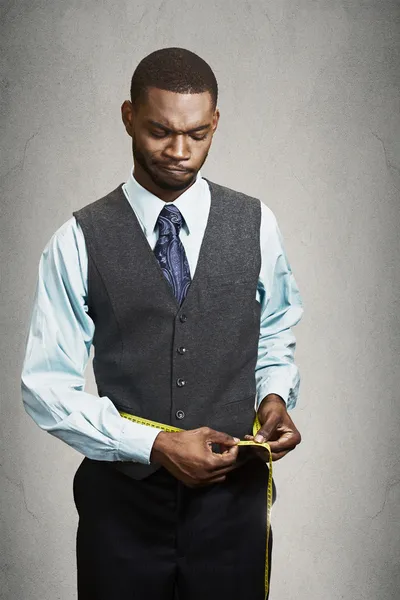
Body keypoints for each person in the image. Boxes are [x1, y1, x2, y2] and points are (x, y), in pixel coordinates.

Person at [21, 47, 304, 600]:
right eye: (159, 132)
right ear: (128, 117)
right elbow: (44, 386)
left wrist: (274, 394)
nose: (179, 152)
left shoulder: (257, 223)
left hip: (233, 508)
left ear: (216, 123)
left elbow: (275, 328)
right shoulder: (77, 239)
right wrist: (153, 445)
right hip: (120, 511)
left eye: (197, 134)